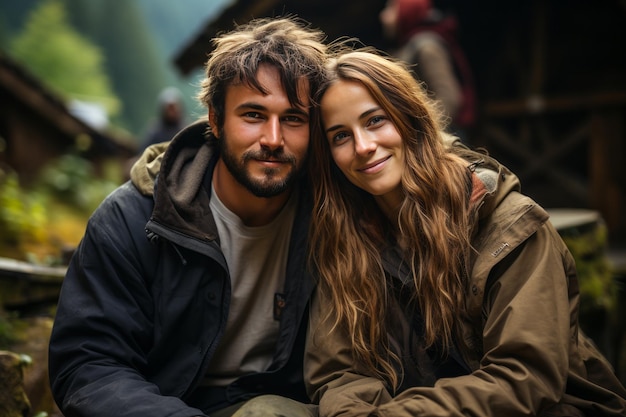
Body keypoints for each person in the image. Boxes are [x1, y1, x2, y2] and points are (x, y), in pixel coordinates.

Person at [304, 49, 626, 416]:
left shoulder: (509, 226)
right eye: (340, 136)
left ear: (410, 118)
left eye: (375, 120)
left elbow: (525, 378)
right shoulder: (344, 238)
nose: (363, 147)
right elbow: (339, 373)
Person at [48, 16, 327, 417]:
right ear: (215, 120)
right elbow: (88, 366)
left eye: (293, 119)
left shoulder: (331, 218)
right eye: (252, 115)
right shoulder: (133, 220)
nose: (273, 139)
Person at [379, 0, 475, 139]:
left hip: (441, 139)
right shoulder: (409, 46)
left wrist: (423, 132)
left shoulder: (427, 47)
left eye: (390, 9)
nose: (383, 16)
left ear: (406, 12)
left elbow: (450, 99)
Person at [138, 86, 187, 152]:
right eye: (169, 108)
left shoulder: (185, 129)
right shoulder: (155, 131)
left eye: (174, 108)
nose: (172, 112)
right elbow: (143, 151)